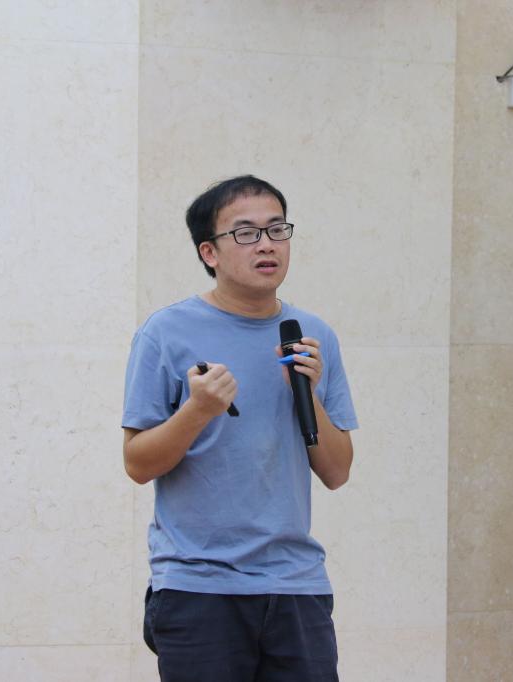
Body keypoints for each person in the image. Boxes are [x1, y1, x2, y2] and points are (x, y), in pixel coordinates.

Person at [122, 175, 358, 681]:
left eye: (277, 229)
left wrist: (308, 391)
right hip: (198, 587)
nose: (267, 244)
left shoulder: (313, 336)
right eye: (246, 233)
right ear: (209, 252)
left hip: (296, 586)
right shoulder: (165, 333)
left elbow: (337, 472)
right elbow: (138, 464)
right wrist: (197, 410)